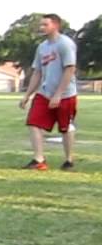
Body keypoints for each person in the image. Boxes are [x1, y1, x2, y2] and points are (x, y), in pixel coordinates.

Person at [19, 13, 78, 171]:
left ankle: (68, 160)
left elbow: (70, 69)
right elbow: (37, 71)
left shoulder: (65, 44)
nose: (42, 27)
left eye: (45, 24)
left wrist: (58, 94)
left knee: (65, 128)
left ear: (56, 25)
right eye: (41, 25)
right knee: (33, 122)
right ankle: (39, 159)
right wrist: (27, 95)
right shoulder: (42, 47)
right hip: (44, 93)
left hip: (65, 94)